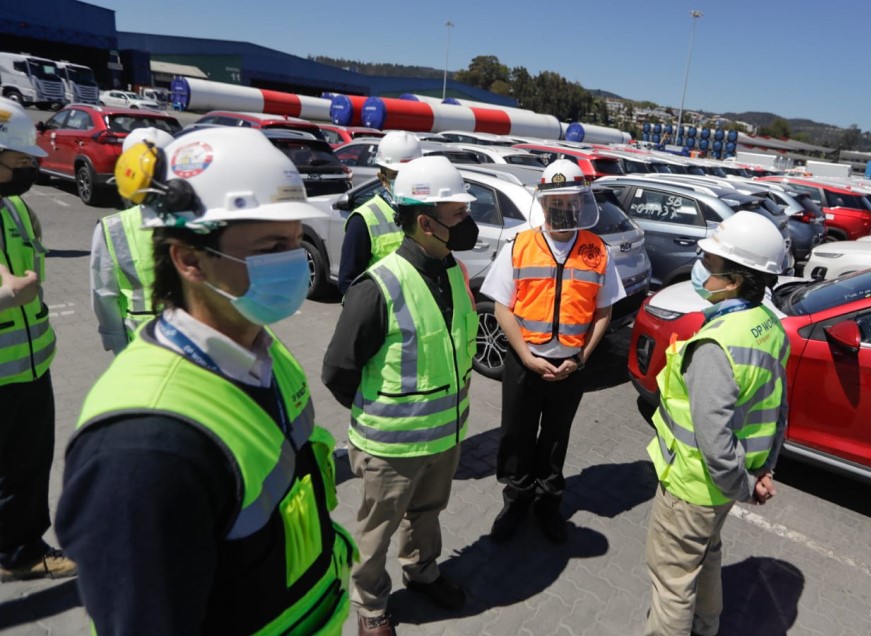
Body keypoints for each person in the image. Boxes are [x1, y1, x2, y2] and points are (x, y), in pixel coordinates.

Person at [56, 127, 356, 633]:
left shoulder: (264, 350)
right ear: (189, 259)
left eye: (294, 239)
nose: (294, 259)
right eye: (269, 245)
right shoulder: (143, 446)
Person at [322, 155, 479, 636]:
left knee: (427, 516)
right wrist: (384, 415)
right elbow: (338, 371)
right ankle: (371, 606)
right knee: (376, 532)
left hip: (445, 439)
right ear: (426, 222)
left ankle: (423, 570)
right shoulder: (378, 287)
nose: (468, 224)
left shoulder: (453, 271)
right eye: (458, 215)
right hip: (391, 448)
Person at [642, 211, 791, 636]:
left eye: (710, 263)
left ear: (736, 279)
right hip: (725, 486)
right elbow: (778, 408)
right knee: (705, 556)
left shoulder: (716, 345)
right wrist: (761, 470)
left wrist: (744, 484)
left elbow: (713, 440)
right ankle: (706, 627)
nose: (700, 268)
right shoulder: (768, 326)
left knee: (671, 581)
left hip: (692, 487)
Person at [481, 159, 625, 544]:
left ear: (582, 202)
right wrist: (527, 356)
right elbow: (501, 308)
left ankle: (548, 504)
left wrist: (579, 358)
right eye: (556, 201)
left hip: (571, 367)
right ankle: (515, 501)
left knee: (556, 437)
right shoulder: (520, 245)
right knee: (516, 435)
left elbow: (603, 311)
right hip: (524, 363)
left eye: (571, 201)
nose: (563, 209)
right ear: (543, 203)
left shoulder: (597, 251)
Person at [0, 101, 77, 583]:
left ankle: (17, 542)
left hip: (30, 365)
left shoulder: (17, 209)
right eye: (21, 161)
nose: (30, 169)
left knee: (26, 465)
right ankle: (19, 554)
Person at [90, 127, 175, 353]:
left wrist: (115, 340)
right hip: (164, 342)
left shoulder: (112, 227)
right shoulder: (198, 220)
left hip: (140, 342)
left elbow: (104, 294)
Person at [337, 130, 423, 294]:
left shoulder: (431, 210)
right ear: (382, 179)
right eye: (396, 175)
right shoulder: (363, 220)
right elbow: (348, 283)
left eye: (410, 173)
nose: (405, 180)